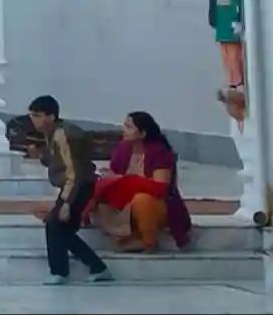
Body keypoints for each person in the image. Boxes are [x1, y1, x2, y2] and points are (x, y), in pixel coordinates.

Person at [26, 94, 111, 285]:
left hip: (78, 186)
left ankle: (62, 271)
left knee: (56, 225)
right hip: (75, 186)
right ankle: (94, 268)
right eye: (32, 115)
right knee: (59, 229)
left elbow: (73, 171)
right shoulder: (52, 134)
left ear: (50, 116)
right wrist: (40, 155)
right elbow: (56, 160)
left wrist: (66, 203)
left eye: (37, 115)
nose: (34, 119)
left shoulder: (63, 135)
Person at [92, 111, 192, 252]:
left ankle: (148, 243)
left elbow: (161, 187)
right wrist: (108, 177)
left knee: (141, 200)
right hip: (125, 203)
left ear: (142, 134)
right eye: (124, 125)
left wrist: (130, 181)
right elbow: (114, 176)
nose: (123, 130)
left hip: (157, 205)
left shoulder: (158, 152)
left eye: (128, 127)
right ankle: (127, 240)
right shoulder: (122, 149)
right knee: (99, 199)